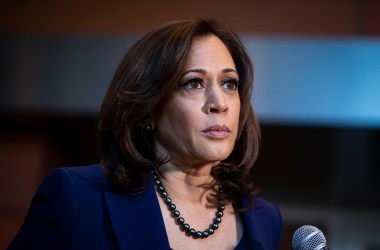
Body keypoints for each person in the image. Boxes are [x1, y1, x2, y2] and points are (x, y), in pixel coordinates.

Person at [8, 18, 282, 250]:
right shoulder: (77, 198)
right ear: (148, 110)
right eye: (194, 83)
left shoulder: (264, 219)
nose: (219, 103)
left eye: (229, 83)